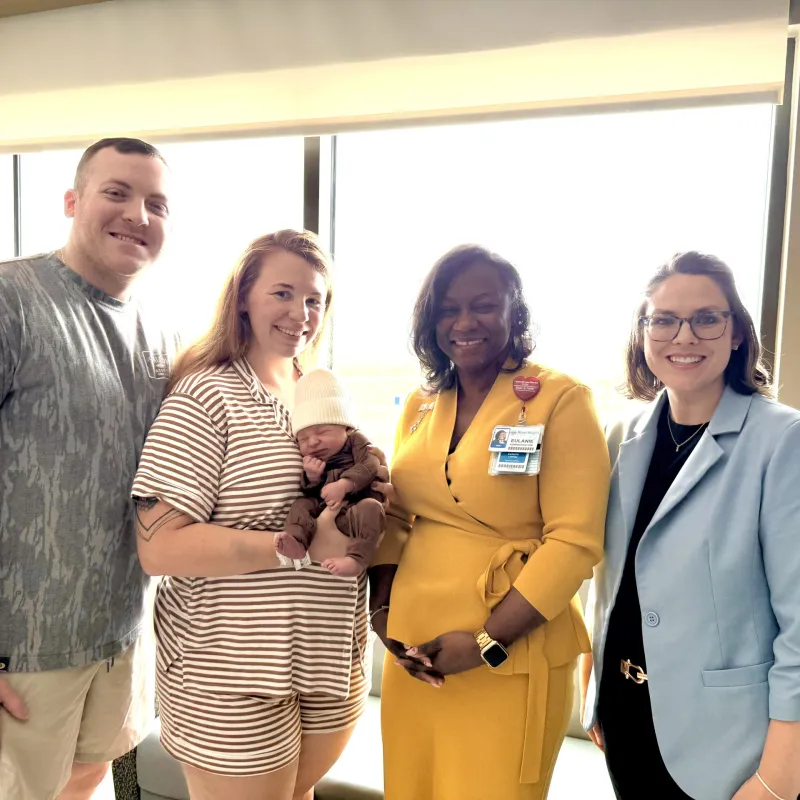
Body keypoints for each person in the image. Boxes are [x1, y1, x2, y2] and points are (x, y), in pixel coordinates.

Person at [131, 229, 390, 800]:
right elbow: (159, 547)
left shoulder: (319, 395)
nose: (301, 312)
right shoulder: (207, 395)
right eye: (282, 293)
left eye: (315, 299)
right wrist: (291, 548)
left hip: (330, 663)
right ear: (243, 295)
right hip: (230, 672)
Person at [369, 244, 610, 800]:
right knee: (412, 789)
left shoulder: (560, 400)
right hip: (417, 655)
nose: (464, 322)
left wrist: (485, 641)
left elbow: (574, 542)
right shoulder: (423, 404)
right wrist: (381, 613)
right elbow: (398, 516)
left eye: (483, 305)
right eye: (448, 310)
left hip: (509, 655)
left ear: (514, 312)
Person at [581, 251, 800, 800]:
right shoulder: (620, 437)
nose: (685, 335)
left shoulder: (782, 441)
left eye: (707, 318)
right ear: (644, 334)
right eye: (664, 319)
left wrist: (779, 775)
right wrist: (595, 691)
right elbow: (610, 583)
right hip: (627, 719)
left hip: (727, 743)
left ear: (735, 333)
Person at [0, 138, 177, 800]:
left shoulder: (160, 333)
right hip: (22, 648)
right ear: (72, 201)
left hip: (120, 632)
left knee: (90, 776)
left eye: (156, 203)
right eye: (117, 193)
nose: (138, 214)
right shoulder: (12, 297)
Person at [276, 368, 387, 578]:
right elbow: (314, 492)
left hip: (356, 510)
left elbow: (370, 465)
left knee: (371, 508)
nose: (313, 442)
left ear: (345, 427)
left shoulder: (356, 441)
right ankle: (297, 542)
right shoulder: (315, 458)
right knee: (301, 505)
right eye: (303, 438)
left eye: (322, 432)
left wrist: (344, 485)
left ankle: (357, 559)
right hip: (326, 511)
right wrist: (312, 477)